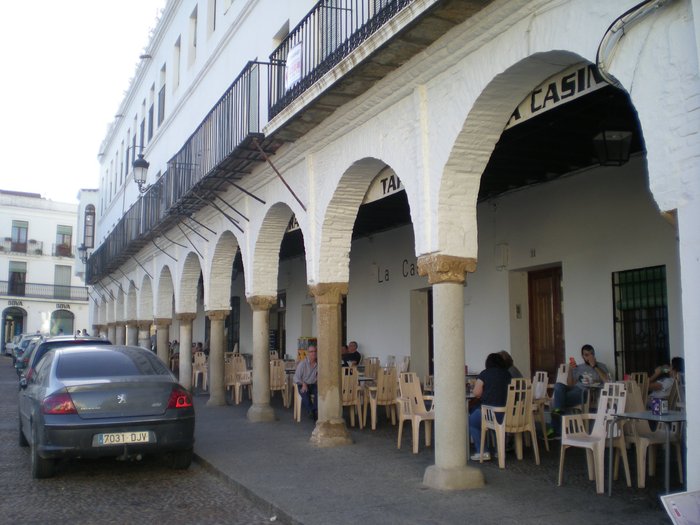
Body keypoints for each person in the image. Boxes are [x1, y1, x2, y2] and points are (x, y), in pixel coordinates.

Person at [551, 344, 610, 435]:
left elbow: (607, 380)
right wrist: (570, 370)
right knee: (558, 385)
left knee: (556, 401)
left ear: (594, 354)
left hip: (586, 392)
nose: (589, 357)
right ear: (582, 356)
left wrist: (594, 366)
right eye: (586, 355)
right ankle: (559, 410)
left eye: (591, 354)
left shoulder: (601, 366)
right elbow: (570, 384)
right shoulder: (579, 367)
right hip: (575, 389)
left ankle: (557, 428)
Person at [469, 352, 511, 461]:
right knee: (494, 424)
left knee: (472, 421)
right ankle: (499, 450)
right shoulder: (507, 375)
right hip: (507, 414)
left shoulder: (484, 374)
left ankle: (482, 451)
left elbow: (477, 393)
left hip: (490, 413)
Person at [294, 345, 318, 420]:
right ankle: (313, 411)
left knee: (320, 392)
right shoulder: (302, 364)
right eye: (311, 352)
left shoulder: (319, 364)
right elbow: (295, 378)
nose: (313, 353)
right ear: (308, 353)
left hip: (313, 384)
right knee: (305, 393)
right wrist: (303, 384)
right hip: (302, 383)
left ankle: (313, 410)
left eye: (315, 351)